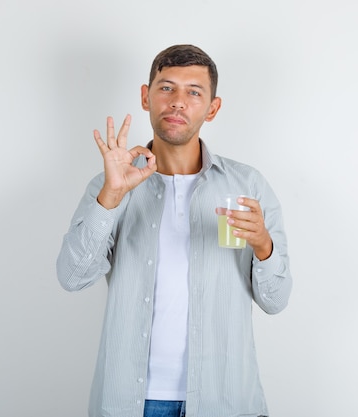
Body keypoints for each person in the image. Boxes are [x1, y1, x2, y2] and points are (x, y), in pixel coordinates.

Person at [57, 44, 292, 417]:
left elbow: (276, 300)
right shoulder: (111, 185)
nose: (178, 101)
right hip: (133, 402)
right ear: (145, 97)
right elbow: (72, 278)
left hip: (226, 399)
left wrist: (264, 246)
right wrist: (110, 197)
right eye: (166, 87)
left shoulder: (248, 186)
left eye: (194, 92)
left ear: (212, 108)